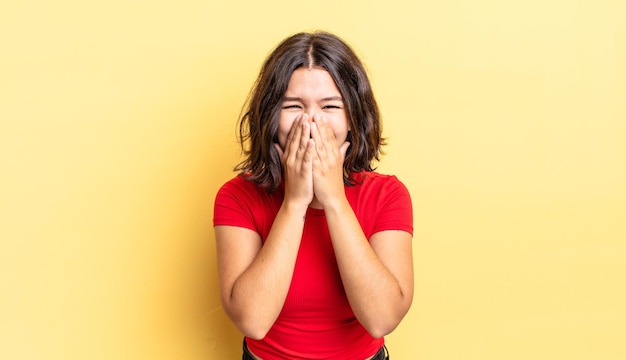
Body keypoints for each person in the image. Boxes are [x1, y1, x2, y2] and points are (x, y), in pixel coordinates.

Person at [213, 31, 414, 360]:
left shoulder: (388, 195)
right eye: (293, 106)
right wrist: (294, 203)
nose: (311, 121)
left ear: (352, 117)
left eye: (330, 106)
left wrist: (334, 200)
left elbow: (382, 319)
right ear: (270, 116)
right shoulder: (237, 196)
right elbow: (253, 321)